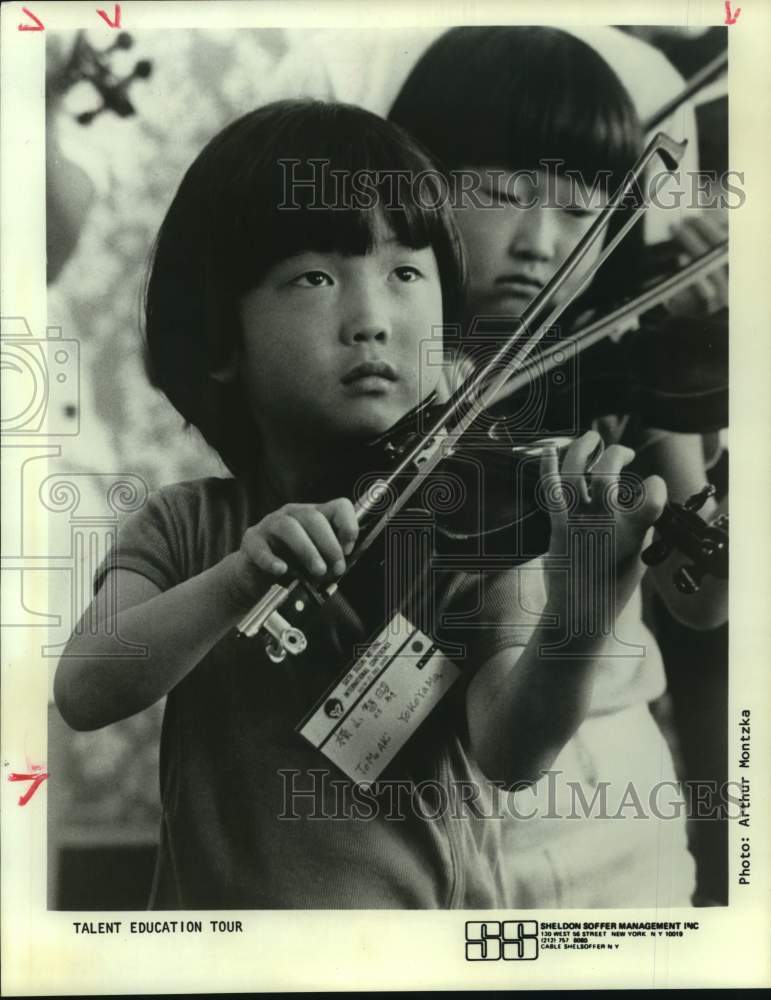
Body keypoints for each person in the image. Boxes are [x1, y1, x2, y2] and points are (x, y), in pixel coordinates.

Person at [53, 98, 678, 909]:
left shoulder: (471, 532)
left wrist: (582, 614)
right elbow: (86, 689)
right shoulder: (188, 525)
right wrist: (238, 578)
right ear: (218, 342)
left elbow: (512, 753)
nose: (372, 320)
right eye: (316, 277)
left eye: (405, 273)